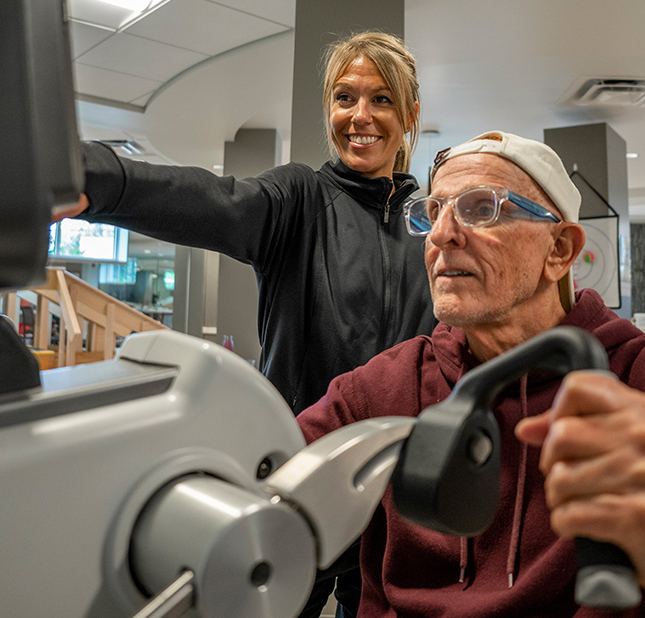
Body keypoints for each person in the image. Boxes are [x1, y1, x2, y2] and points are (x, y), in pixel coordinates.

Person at [297, 130, 645, 618]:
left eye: (481, 209)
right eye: (433, 212)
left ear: (560, 250)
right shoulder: (388, 385)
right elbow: (266, 478)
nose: (441, 235)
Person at [58, 30, 436, 618]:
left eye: (382, 99)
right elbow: (214, 200)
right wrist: (96, 177)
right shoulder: (301, 199)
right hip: (299, 477)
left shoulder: (431, 229)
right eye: (345, 98)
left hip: (395, 496)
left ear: (410, 113)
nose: (360, 116)